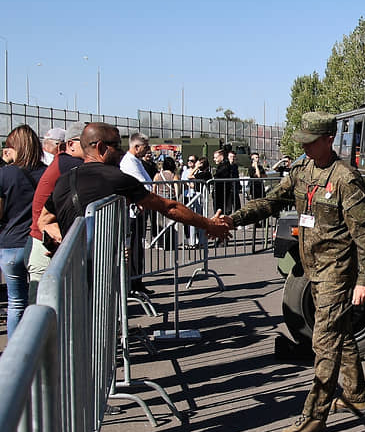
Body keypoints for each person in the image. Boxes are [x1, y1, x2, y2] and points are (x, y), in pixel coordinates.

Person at [221, 112, 365, 432]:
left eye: (311, 142)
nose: (305, 148)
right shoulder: (302, 172)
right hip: (313, 269)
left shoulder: (345, 180)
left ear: (328, 140)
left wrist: (364, 281)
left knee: (324, 342)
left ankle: (314, 415)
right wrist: (232, 221)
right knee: (340, 334)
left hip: (337, 271)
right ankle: (354, 395)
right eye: (303, 142)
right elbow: (270, 202)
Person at [38, 123, 230, 256]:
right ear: (102, 148)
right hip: (95, 271)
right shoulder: (116, 178)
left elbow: (44, 221)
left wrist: (63, 242)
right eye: (116, 146)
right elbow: (168, 207)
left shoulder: (64, 180)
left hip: (70, 272)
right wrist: (208, 224)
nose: (121, 152)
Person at [27, 122, 84, 301]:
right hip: (44, 243)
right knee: (40, 312)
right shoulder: (69, 163)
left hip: (46, 242)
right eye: (89, 143)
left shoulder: (65, 162)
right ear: (71, 144)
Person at [0, 125, 47, 337]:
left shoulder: (5, 175)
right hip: (38, 243)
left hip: (10, 245)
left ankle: (16, 354)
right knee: (39, 302)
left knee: (15, 302)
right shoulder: (46, 173)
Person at [120, 133, 153, 293]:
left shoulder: (137, 162)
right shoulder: (129, 163)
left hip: (139, 211)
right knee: (132, 247)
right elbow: (143, 185)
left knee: (137, 247)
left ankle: (137, 281)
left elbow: (147, 184)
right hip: (132, 213)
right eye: (145, 147)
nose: (148, 150)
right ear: (136, 147)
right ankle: (133, 282)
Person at [153, 156, 181, 249]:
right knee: (171, 222)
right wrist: (177, 199)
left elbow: (154, 189)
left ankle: (159, 243)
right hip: (170, 200)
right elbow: (177, 190)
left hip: (160, 200)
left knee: (160, 223)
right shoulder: (174, 176)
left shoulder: (158, 175)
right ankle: (171, 243)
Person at [212, 149, 234, 216]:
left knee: (221, 212)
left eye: (216, 157)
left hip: (223, 193)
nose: (214, 159)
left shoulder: (225, 166)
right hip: (219, 192)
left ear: (221, 156)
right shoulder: (222, 166)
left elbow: (218, 176)